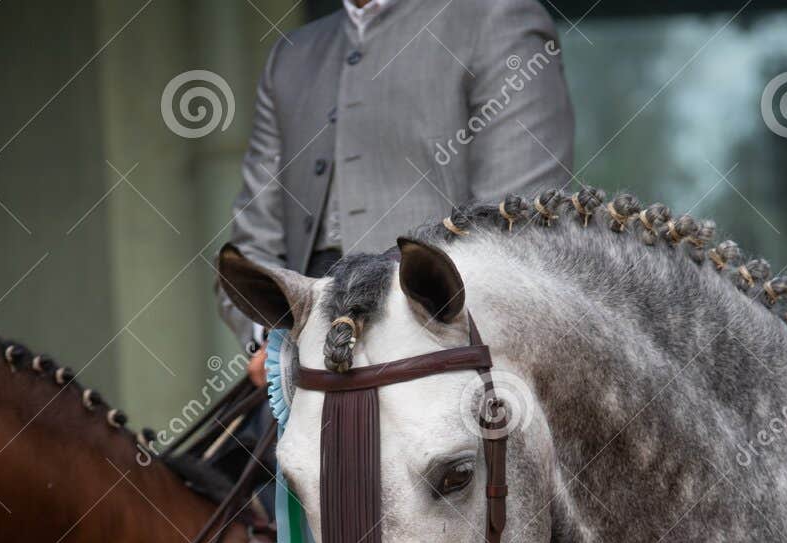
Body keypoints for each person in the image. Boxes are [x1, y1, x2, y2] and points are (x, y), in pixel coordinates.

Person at [217, 0, 574, 383]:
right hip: (299, 349)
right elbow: (254, 239)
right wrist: (272, 340)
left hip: (441, 353)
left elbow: (514, 229)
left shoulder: (498, 17)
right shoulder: (291, 55)